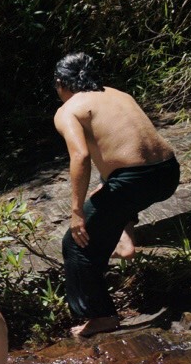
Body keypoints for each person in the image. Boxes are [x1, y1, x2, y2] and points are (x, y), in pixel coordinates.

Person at [52, 52, 180, 338]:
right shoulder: (119, 94)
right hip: (168, 172)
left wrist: (77, 211)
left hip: (135, 182)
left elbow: (80, 156)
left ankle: (101, 316)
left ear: (61, 83)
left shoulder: (68, 110)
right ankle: (125, 239)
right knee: (109, 185)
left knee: (75, 244)